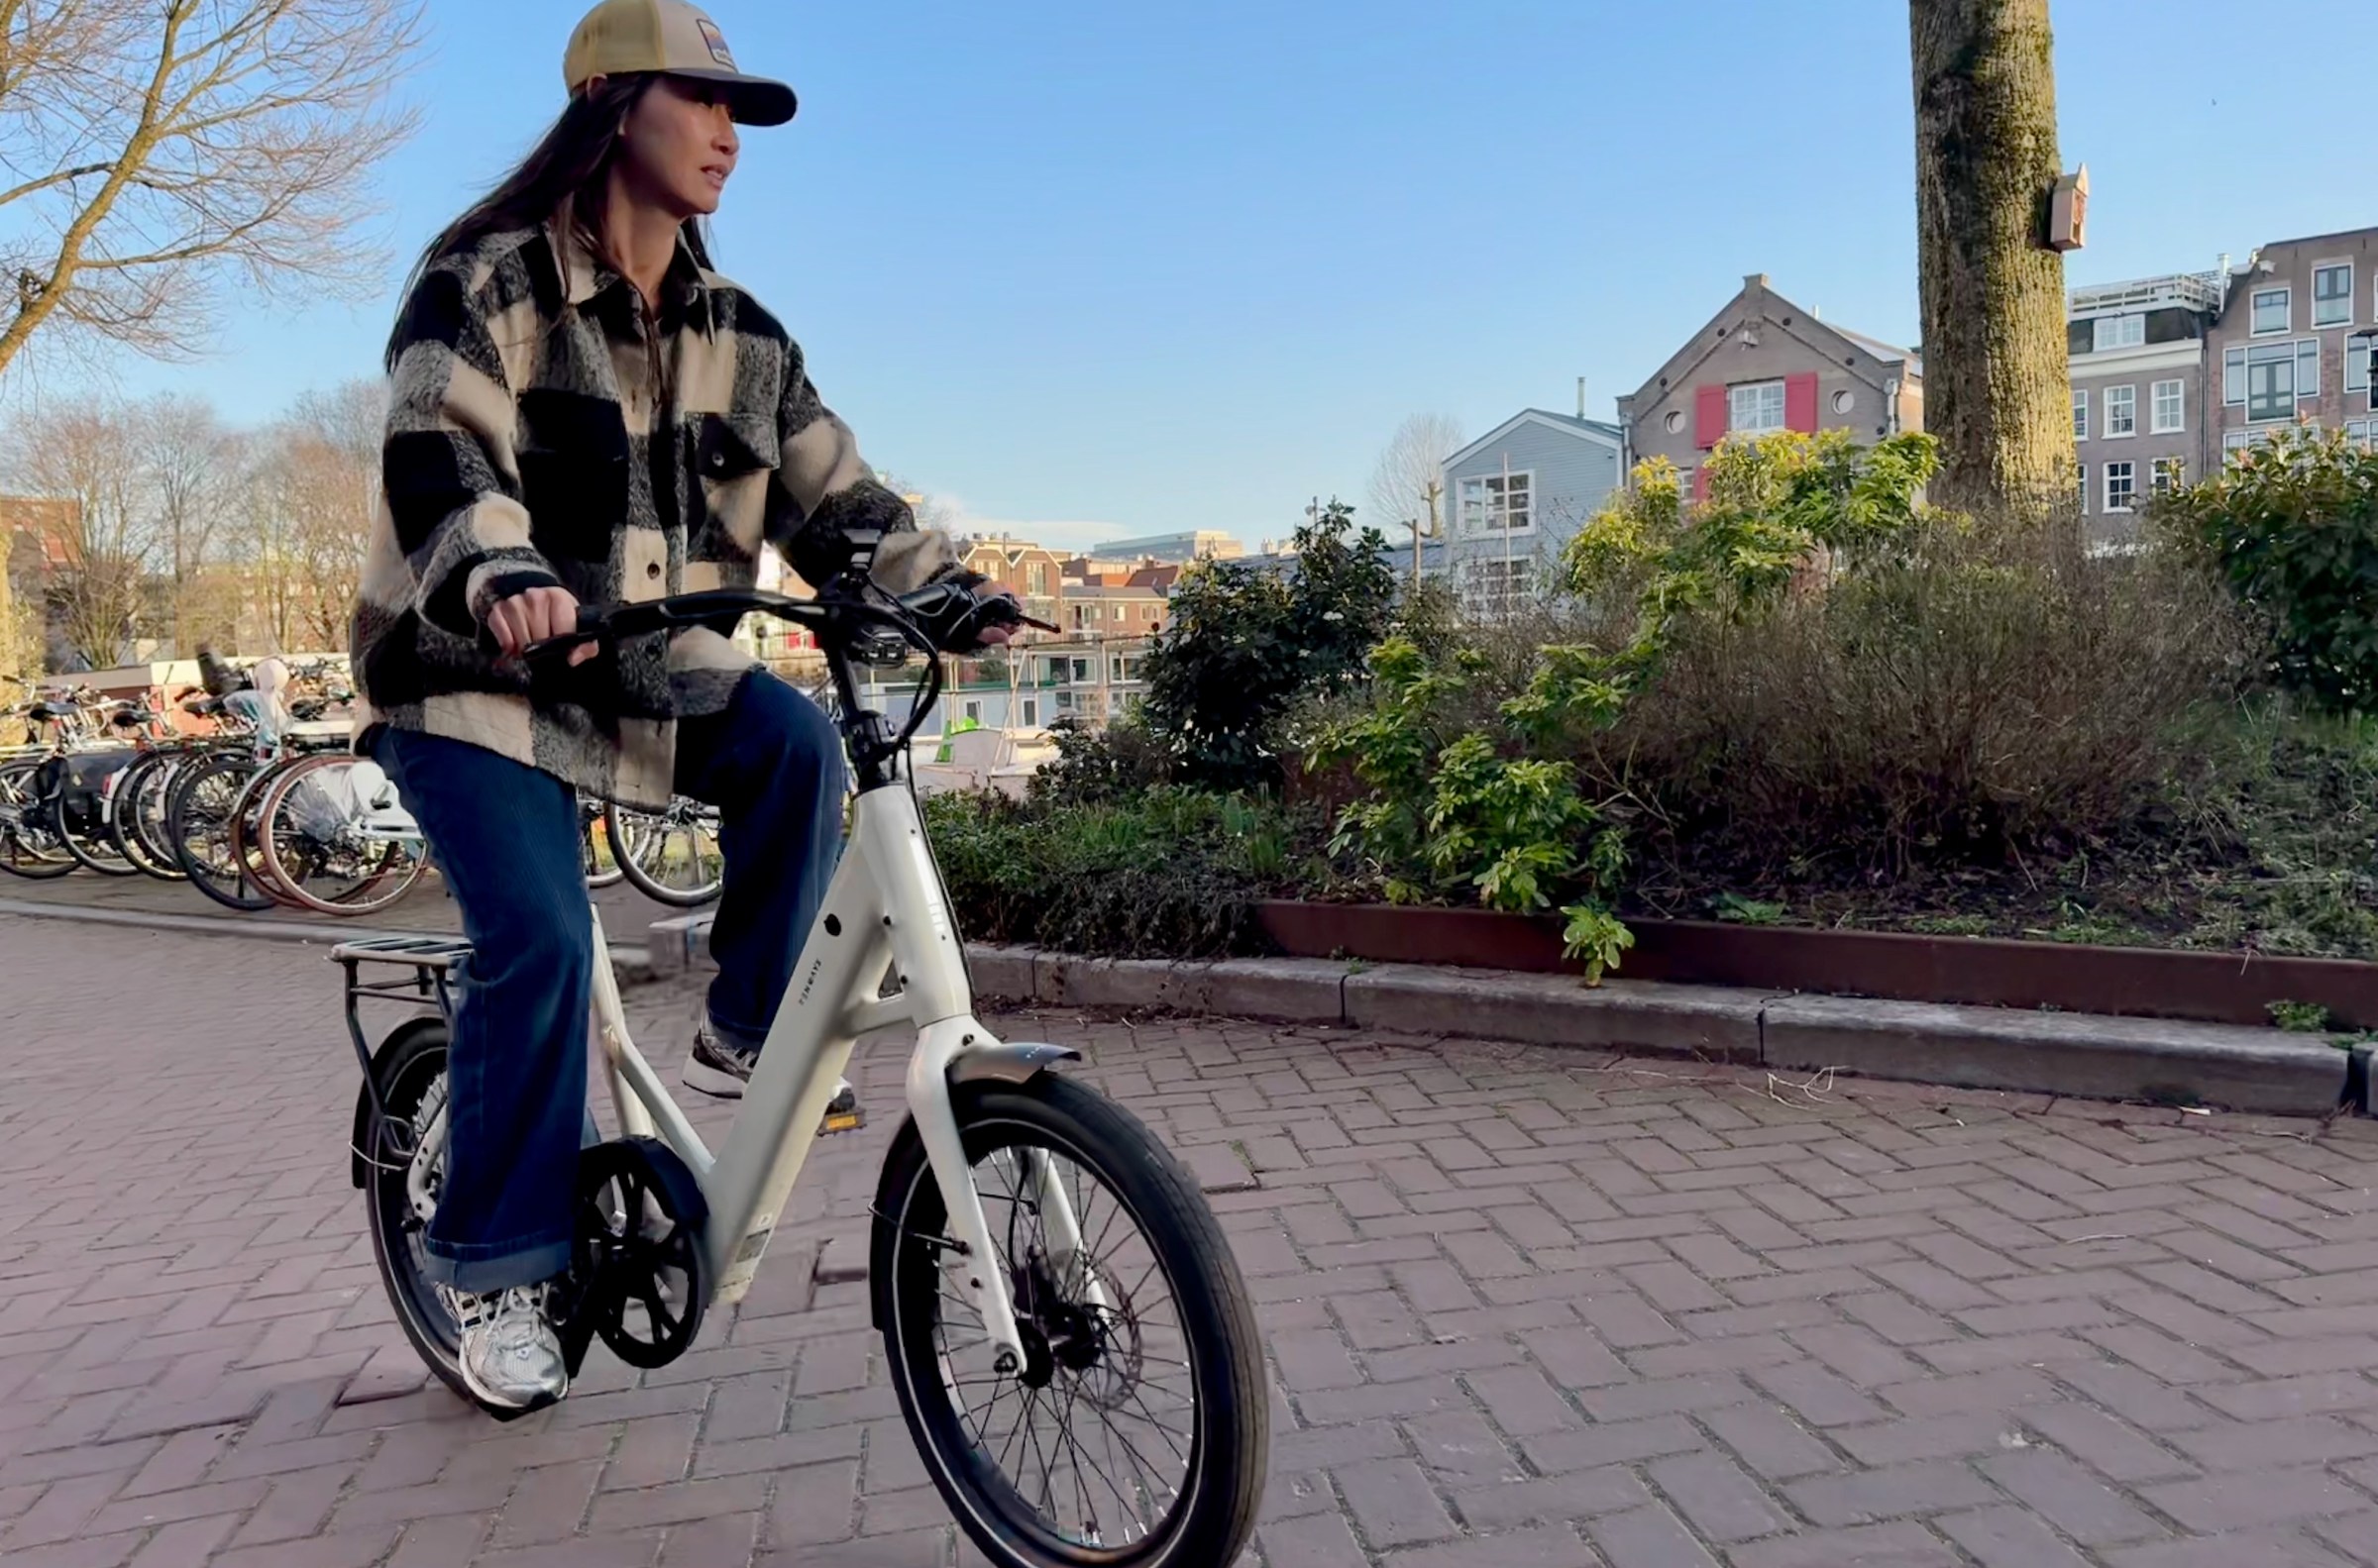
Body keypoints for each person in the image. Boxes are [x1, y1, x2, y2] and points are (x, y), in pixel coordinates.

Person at [349, 0, 1008, 1411]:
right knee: (539, 941)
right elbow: (440, 450)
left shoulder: (743, 336)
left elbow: (839, 497)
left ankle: (752, 1020)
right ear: (610, 106)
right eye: (703, 102)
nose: (727, 135)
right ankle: (500, 1274)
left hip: (651, 675)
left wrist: (947, 592)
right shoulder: (485, 280)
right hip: (475, 682)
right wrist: (502, 569)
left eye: (740, 113)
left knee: (794, 741)